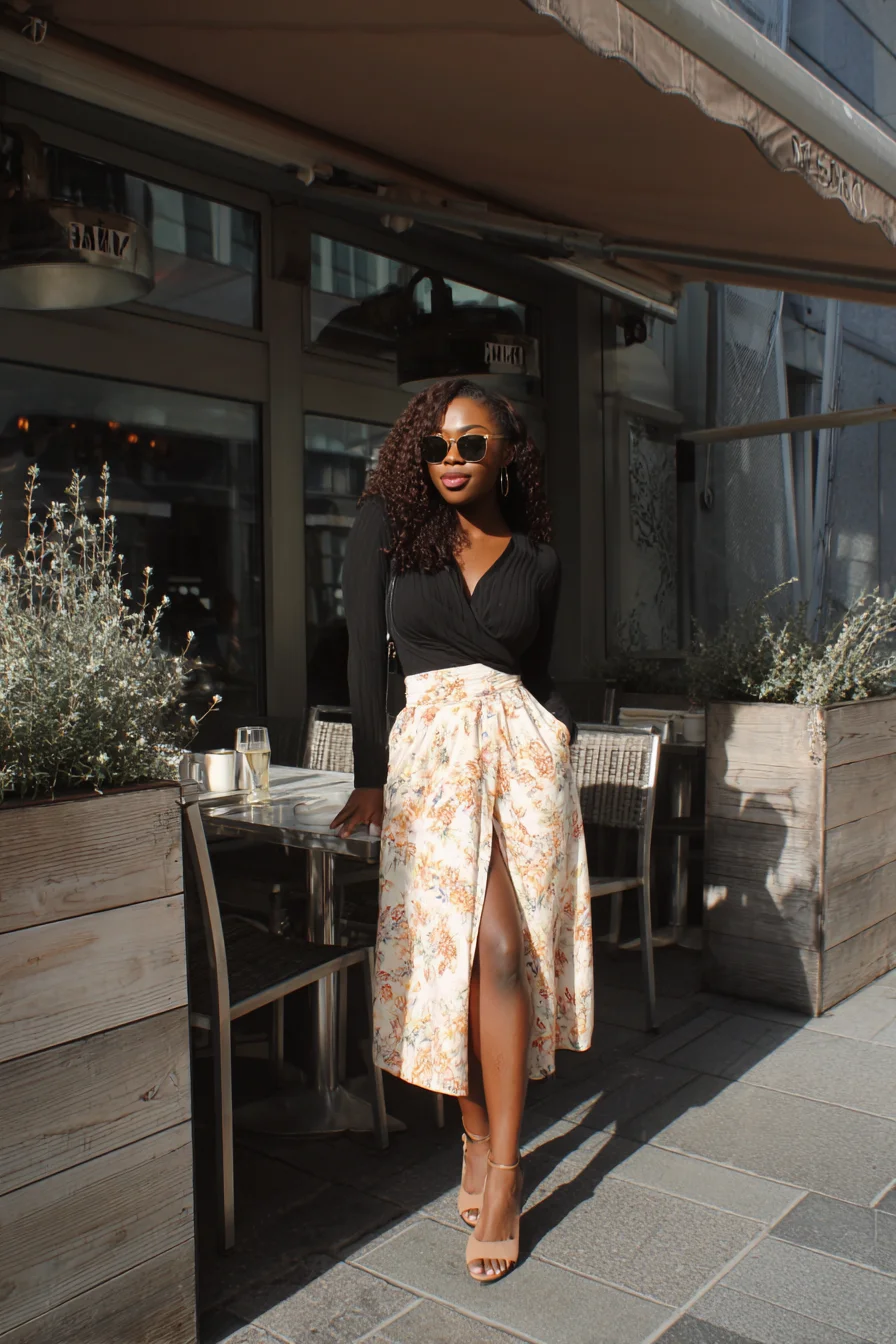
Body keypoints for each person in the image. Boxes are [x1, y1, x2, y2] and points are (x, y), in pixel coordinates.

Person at [331, 377, 593, 1283]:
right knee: (468, 952)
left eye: (472, 444)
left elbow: (545, 673)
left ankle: (505, 1166)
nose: (452, 458)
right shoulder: (387, 530)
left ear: (508, 453)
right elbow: (364, 650)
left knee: (504, 951)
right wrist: (371, 775)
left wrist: (559, 736)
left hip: (524, 761)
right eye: (438, 443)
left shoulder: (538, 561)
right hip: (432, 763)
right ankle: (476, 1133)